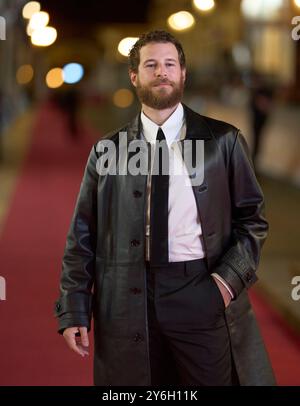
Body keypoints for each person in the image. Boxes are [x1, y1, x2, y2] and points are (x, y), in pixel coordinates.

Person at [54, 30, 275, 386]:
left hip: (200, 287)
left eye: (170, 64)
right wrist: (74, 307)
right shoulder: (106, 151)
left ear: (183, 73)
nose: (161, 72)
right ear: (134, 76)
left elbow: (253, 221)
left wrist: (224, 283)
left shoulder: (224, 142)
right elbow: (82, 235)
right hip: (125, 297)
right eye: (151, 65)